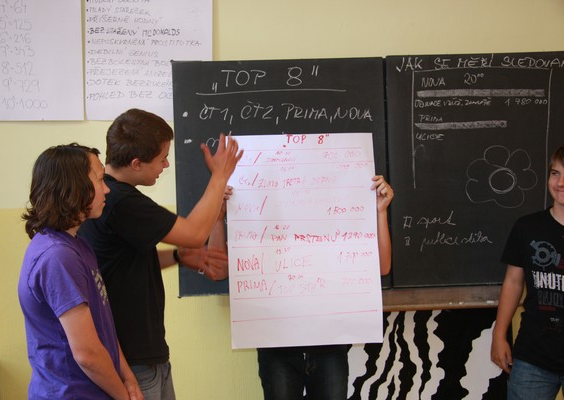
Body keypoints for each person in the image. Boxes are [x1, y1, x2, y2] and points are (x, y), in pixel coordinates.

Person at [77, 108, 243, 399]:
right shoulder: (121, 201)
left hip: (145, 355)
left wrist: (176, 257)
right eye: (162, 158)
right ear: (136, 163)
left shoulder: (112, 198)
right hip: (133, 360)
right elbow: (195, 233)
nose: (166, 164)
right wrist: (219, 177)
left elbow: (120, 262)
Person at [18, 143, 143, 400]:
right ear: (73, 187)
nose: (107, 189)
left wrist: (128, 377)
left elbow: (103, 327)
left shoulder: (77, 245)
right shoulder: (57, 256)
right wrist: (123, 395)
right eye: (99, 180)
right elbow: (87, 354)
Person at [257, 175, 394, 400]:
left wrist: (380, 212)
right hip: (278, 344)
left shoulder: (339, 219)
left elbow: (382, 266)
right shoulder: (265, 211)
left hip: (329, 343)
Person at [491, 144, 564, 400]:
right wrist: (499, 335)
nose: (560, 183)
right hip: (533, 357)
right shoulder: (527, 227)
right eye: (555, 173)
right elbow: (513, 282)